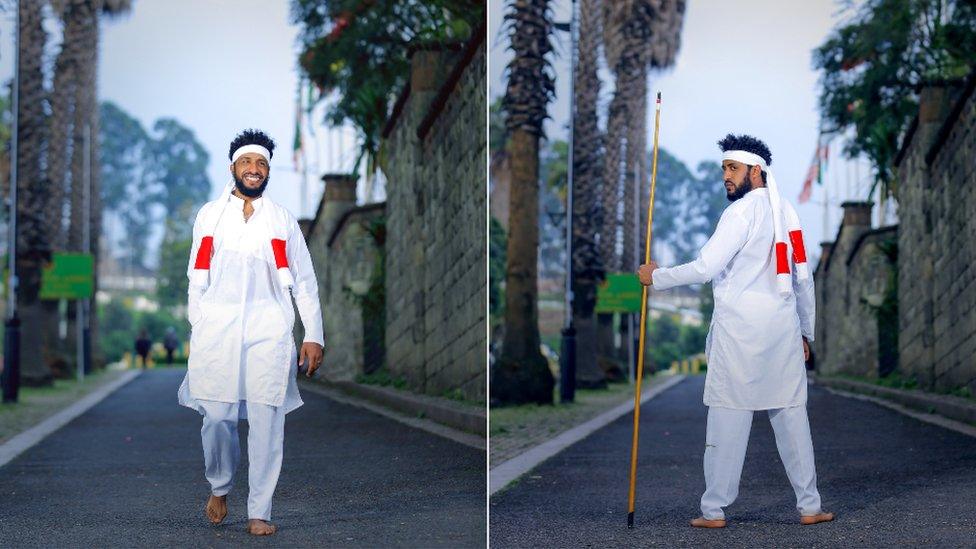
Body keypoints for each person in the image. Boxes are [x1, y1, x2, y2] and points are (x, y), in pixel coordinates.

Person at [637, 134, 833, 528]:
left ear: (755, 171)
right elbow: (802, 280)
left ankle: (714, 511)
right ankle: (809, 507)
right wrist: (805, 332)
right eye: (724, 168)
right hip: (782, 332)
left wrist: (656, 276)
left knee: (728, 420)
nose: (726, 176)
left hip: (739, 337)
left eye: (733, 168)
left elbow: (705, 267)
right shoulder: (788, 214)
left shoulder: (740, 213)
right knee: (792, 417)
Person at [177, 129, 324, 536]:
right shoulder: (210, 215)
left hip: (270, 329)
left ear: (268, 171)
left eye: (261, 164)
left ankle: (260, 510)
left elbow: (305, 280)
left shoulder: (282, 220)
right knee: (218, 417)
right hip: (217, 328)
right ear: (233, 168)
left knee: (267, 419)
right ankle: (220, 486)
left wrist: (314, 333)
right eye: (247, 162)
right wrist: (198, 321)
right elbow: (196, 275)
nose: (254, 170)